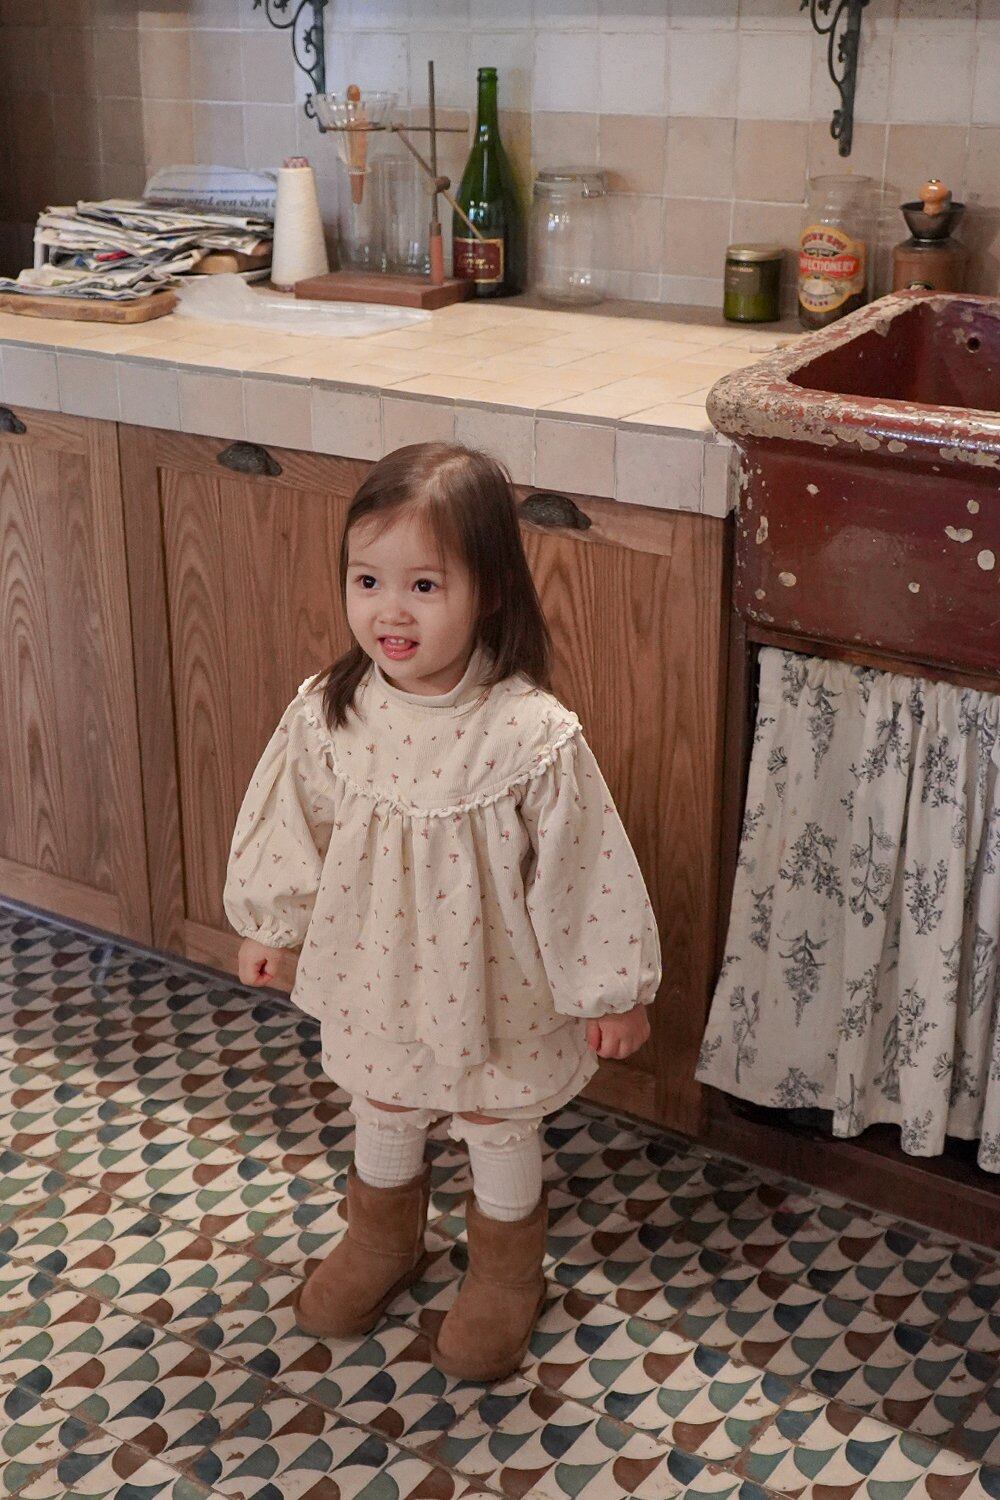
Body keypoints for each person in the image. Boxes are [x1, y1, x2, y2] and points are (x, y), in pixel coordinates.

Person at [224, 441, 661, 1382]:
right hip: (376, 968)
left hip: (493, 984)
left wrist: (612, 988)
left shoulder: (529, 734)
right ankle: (381, 1238)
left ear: (489, 590)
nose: (390, 610)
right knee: (384, 1095)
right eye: (368, 580)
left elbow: (584, 869)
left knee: (493, 1115)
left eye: (424, 586)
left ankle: (506, 1273)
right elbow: (290, 816)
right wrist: (272, 920)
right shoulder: (332, 712)